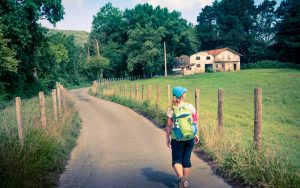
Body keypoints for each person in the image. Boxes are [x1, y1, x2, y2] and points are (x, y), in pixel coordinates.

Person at [166, 86, 199, 188]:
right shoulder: (190, 106)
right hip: (189, 137)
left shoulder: (171, 108)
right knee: (186, 161)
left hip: (177, 138)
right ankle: (185, 182)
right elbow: (195, 121)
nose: (185, 93)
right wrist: (196, 134)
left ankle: (181, 177)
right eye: (184, 92)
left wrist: (167, 138)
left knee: (176, 160)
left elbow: (169, 125)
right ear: (182, 95)